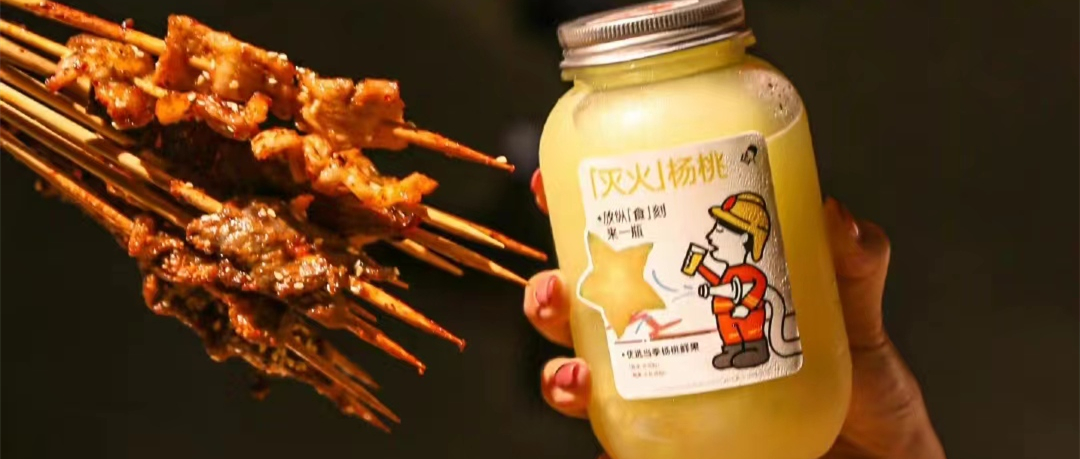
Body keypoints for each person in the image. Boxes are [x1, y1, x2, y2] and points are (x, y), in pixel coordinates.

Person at [524, 170, 947, 459]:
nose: (711, 236)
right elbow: (717, 284)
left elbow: (738, 292)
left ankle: (748, 352)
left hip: (755, 343)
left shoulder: (749, 274)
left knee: (744, 350)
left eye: (720, 230)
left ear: (746, 241)